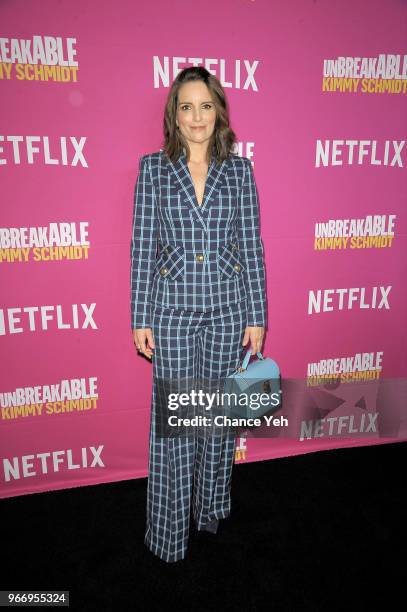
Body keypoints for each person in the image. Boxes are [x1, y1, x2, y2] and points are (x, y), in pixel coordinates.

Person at [130, 66, 267, 563]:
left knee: (215, 419)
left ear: (218, 112)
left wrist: (257, 313)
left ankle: (210, 507)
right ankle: (168, 534)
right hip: (172, 311)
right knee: (176, 425)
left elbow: (250, 244)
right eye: (186, 106)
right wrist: (140, 315)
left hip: (230, 309)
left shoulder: (240, 170)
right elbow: (143, 247)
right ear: (174, 114)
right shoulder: (153, 169)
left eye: (205, 106)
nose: (196, 117)